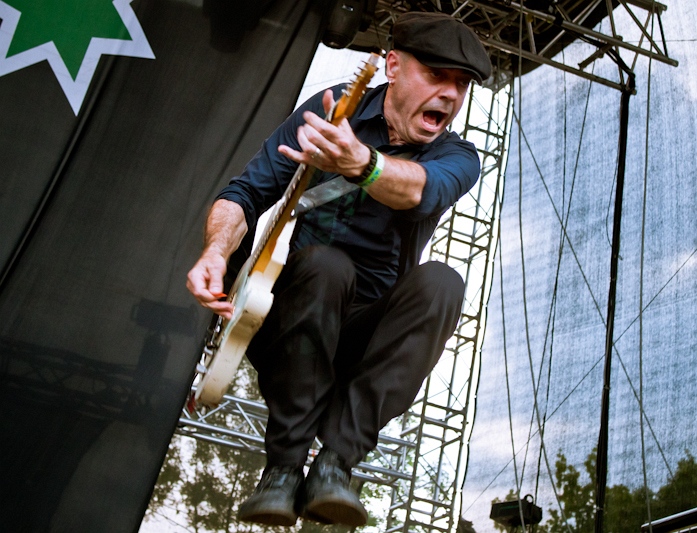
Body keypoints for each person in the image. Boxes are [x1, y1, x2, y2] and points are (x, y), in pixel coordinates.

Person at [186, 11, 492, 528]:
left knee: (444, 282)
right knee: (328, 266)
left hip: (365, 343)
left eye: (461, 84)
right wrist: (216, 252)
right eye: (437, 75)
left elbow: (420, 189)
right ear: (393, 66)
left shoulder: (458, 155)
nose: (450, 94)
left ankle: (335, 465)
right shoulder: (330, 112)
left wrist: (362, 163)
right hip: (291, 321)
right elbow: (246, 191)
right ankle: (282, 470)